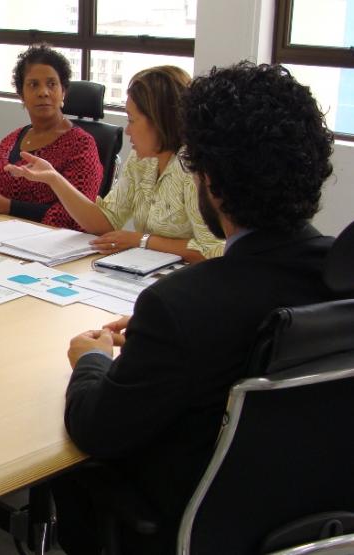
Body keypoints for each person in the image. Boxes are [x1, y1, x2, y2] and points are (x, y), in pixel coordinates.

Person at [55, 62, 340, 554]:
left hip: (188, 527)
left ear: (210, 181)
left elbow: (96, 428)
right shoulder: (341, 276)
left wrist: (93, 360)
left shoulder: (179, 306)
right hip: (321, 521)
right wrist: (152, 343)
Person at [6, 65, 224, 261]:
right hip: (145, 273)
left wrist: (141, 240)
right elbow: (105, 222)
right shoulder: (142, 161)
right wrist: (54, 178)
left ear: (159, 120)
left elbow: (213, 250)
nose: (127, 130)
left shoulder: (192, 169)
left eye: (131, 120)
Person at [0, 44, 102, 229]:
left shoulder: (82, 145)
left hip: (49, 246)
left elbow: (77, 218)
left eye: (52, 84)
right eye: (33, 84)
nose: (43, 92)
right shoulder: (10, 140)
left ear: (64, 92)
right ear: (22, 95)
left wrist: (10, 207)